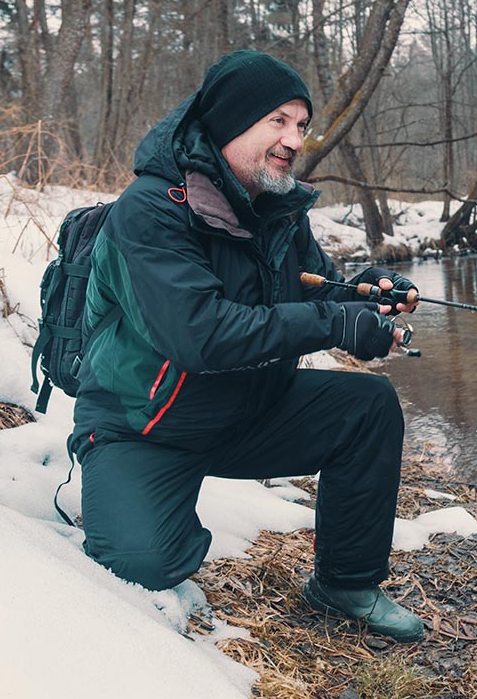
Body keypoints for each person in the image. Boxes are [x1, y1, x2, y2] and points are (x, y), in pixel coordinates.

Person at [69, 49, 425, 643]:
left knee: (369, 408)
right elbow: (199, 334)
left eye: (302, 125)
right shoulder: (149, 214)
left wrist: (371, 301)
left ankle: (346, 583)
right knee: (143, 567)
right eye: (277, 121)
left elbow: (321, 286)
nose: (293, 138)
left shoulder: (278, 209)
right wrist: (335, 325)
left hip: (248, 409)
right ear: (231, 122)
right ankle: (141, 509)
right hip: (145, 425)